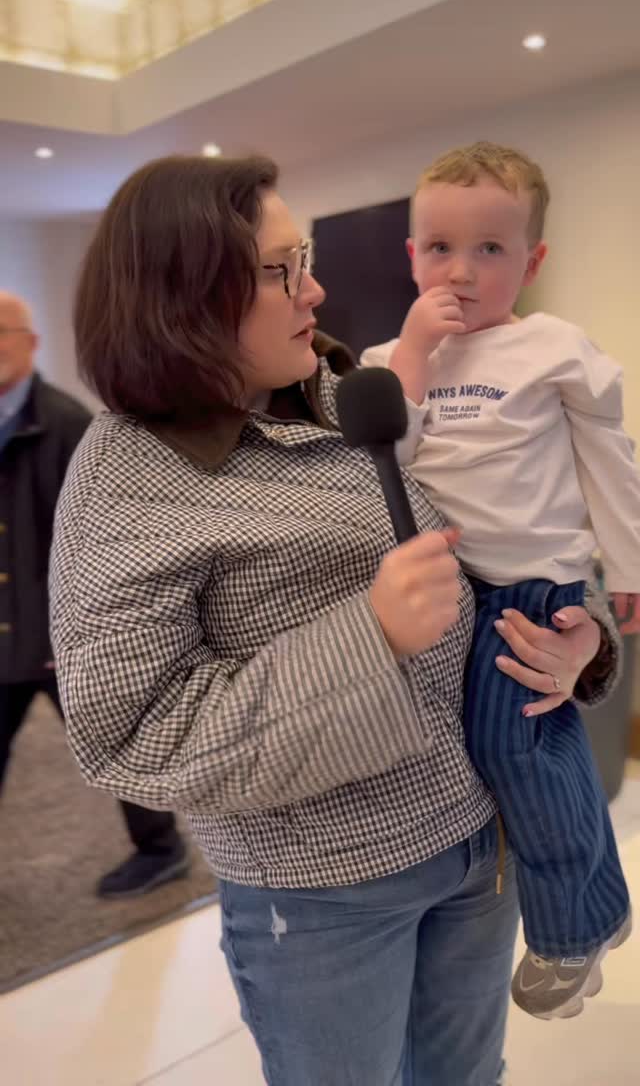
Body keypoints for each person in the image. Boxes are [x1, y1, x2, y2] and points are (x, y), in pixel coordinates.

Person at [49, 155, 618, 1086]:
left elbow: (512, 533)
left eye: (301, 256)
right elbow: (131, 737)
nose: (314, 286)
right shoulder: (126, 475)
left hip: (479, 839)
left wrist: (582, 637)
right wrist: (373, 636)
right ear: (183, 294)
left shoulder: (354, 394)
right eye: (279, 270)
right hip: (326, 891)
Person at [361, 141, 635, 1022]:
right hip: (452, 593)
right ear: (411, 256)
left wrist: (628, 566)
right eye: (439, 247)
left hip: (535, 587)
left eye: (490, 250)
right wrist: (411, 349)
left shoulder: (551, 347)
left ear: (533, 261)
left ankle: (570, 928)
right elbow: (383, 461)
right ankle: (599, 905)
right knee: (501, 758)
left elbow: (610, 458)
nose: (462, 271)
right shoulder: (391, 361)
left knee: (518, 752)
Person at [0, 290, 188, 899]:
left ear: (31, 343)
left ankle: (161, 850)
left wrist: (77, 628)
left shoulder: (67, 425)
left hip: (60, 634)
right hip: (4, 633)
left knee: (118, 740)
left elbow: (94, 543)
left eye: (3, 331)